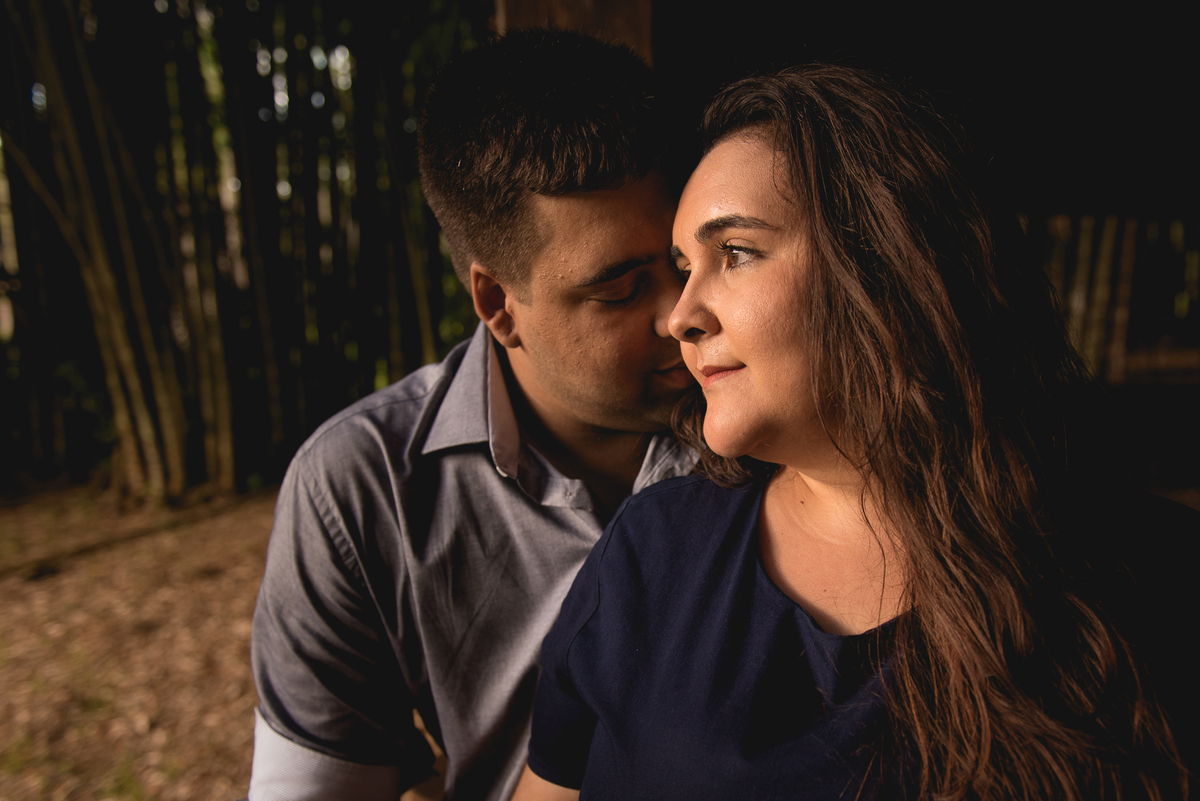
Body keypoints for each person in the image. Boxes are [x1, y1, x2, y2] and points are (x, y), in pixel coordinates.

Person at [515, 66, 1196, 800]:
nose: (680, 315)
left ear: (881, 266)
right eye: (687, 268)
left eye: (735, 253)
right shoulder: (654, 553)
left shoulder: (1145, 573)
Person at [247, 29, 695, 801]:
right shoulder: (364, 490)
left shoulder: (777, 420)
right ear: (498, 304)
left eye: (688, 264)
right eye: (620, 290)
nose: (683, 315)